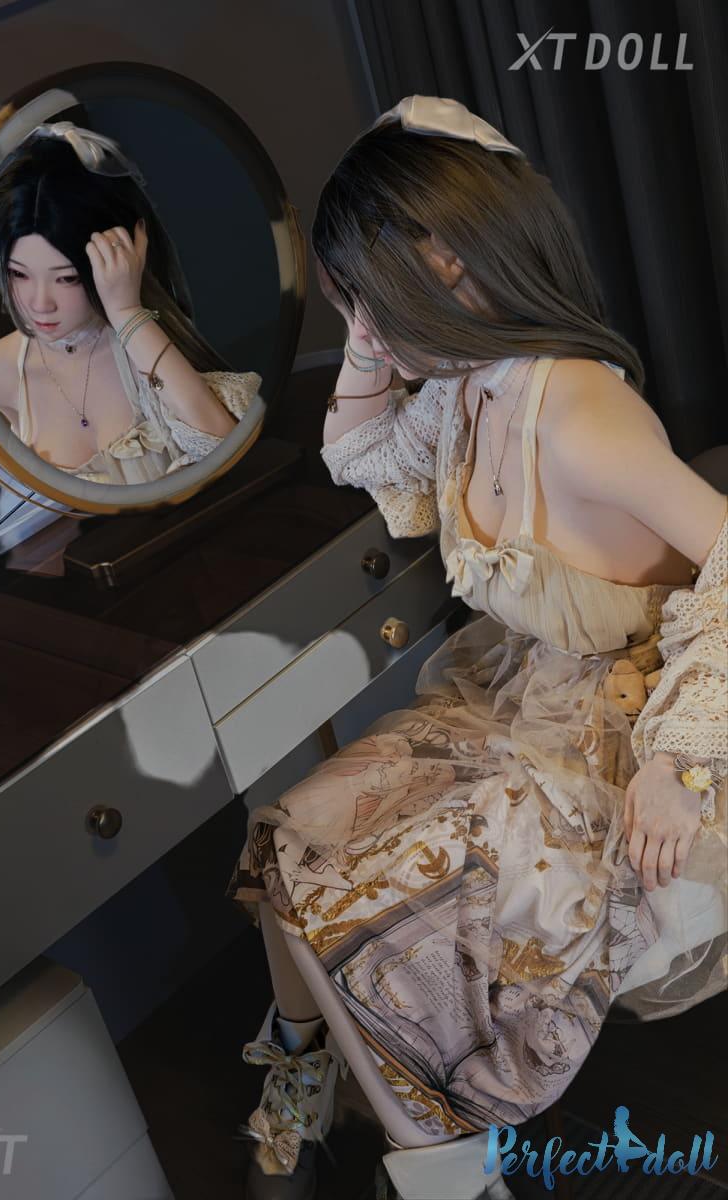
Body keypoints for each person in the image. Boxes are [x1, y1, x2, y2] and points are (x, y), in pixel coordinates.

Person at [226, 98, 728, 1200]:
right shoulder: (464, 387)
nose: (362, 323)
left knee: (359, 915)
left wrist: (680, 761)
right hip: (524, 691)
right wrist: (368, 335)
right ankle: (302, 1083)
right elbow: (359, 451)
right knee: (287, 843)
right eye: (349, 298)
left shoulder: (578, 414)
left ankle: (438, 1170)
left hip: (633, 720)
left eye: (369, 294)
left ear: (450, 264)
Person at [0, 122, 261, 484]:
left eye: (67, 278)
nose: (40, 303)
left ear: (124, 251)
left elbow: (226, 448)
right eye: (18, 274)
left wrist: (126, 314)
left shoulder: (142, 343)